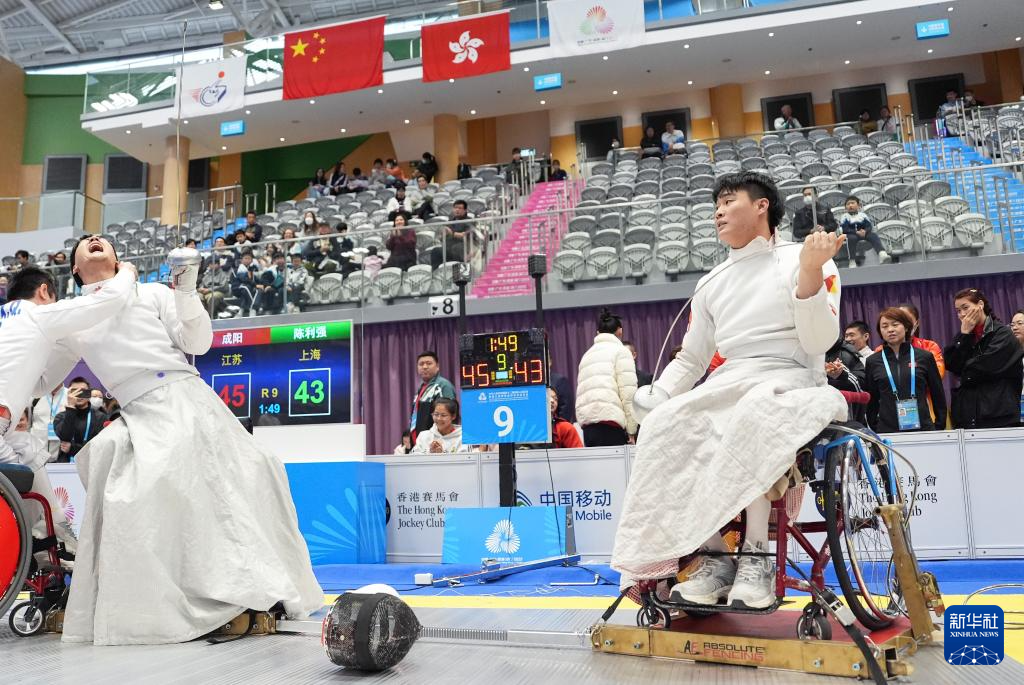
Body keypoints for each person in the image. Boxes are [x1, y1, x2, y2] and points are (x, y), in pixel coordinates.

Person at [49, 236, 322, 645]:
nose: (93, 239)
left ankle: (255, 589)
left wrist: (187, 292)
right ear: (74, 268)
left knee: (258, 469)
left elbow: (197, 343)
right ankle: (176, 600)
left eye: (101, 239)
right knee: (149, 479)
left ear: (118, 258)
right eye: (84, 242)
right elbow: (44, 372)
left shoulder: (152, 293)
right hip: (140, 411)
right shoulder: (72, 316)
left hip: (189, 397)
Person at [613, 171, 847, 610]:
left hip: (793, 377)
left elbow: (819, 341)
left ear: (761, 206)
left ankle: (756, 556)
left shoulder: (807, 258)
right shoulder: (712, 281)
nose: (718, 212)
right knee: (665, 425)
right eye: (716, 205)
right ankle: (716, 558)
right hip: (732, 379)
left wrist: (810, 271)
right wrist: (659, 396)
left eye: (728, 201)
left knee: (753, 411)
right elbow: (691, 359)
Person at [1, 264, 137, 552]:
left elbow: (38, 386)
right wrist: (126, 272)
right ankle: (42, 546)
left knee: (28, 453)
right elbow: (109, 300)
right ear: (44, 291)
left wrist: (74, 345)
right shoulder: (37, 314)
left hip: (7, 430)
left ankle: (55, 545)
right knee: (22, 487)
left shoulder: (9, 321)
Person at [944, 288, 1024, 429]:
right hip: (968, 416)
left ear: (980, 304)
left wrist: (965, 369)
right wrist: (964, 335)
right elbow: (951, 364)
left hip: (999, 415)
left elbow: (985, 367)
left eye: (965, 308)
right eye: (958, 311)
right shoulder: (964, 334)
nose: (962, 314)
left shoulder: (1003, 333)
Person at [865, 308, 946, 433]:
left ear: (907, 327)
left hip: (923, 429)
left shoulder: (924, 357)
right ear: (880, 331)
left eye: (895, 324)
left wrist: (939, 426)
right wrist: (876, 426)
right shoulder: (873, 361)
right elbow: (871, 399)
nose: (890, 329)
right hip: (887, 431)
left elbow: (938, 394)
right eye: (884, 326)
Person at [575, 309, 638, 447]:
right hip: (611, 423)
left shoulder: (587, 355)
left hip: (588, 426)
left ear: (598, 333)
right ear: (620, 331)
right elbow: (628, 393)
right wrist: (632, 429)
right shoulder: (621, 351)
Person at [54, 377, 107, 462]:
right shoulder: (60, 417)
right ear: (69, 394)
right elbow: (65, 437)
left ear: (89, 394)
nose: (79, 395)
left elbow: (98, 446)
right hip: (65, 465)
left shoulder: (100, 418)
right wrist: (71, 407)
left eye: (83, 391)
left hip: (90, 464)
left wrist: (72, 448)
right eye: (75, 391)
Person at [409, 350, 457, 442]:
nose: (425, 367)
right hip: (420, 442)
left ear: (437, 366)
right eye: (421, 364)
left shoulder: (443, 385)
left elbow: (448, 416)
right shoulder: (421, 388)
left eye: (429, 363)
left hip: (436, 443)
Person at [825, 335, 868, 423]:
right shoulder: (808, 354)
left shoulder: (846, 353)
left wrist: (841, 374)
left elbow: (862, 387)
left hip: (847, 419)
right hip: (818, 418)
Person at [839, 195, 889, 266]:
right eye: (848, 204)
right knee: (851, 238)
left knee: (873, 235)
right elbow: (845, 229)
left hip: (863, 233)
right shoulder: (844, 217)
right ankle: (852, 260)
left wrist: (865, 231)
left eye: (852, 203)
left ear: (858, 205)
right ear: (845, 207)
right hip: (851, 234)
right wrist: (856, 232)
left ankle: (882, 254)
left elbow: (869, 226)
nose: (850, 205)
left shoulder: (863, 215)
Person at [431, 200, 474, 269]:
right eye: (455, 208)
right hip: (449, 249)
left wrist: (452, 233)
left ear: (465, 210)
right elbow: (443, 236)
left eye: (460, 208)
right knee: (436, 251)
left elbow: (465, 235)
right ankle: (436, 273)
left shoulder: (469, 221)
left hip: (463, 249)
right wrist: (442, 235)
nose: (457, 210)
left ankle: (461, 271)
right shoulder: (450, 221)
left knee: (457, 247)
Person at [231, 249, 259, 316]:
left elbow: (255, 279)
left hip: (247, 288)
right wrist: (255, 284)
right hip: (237, 288)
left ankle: (241, 310)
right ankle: (252, 308)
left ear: (251, 260)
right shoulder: (237, 269)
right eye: (245, 258)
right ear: (241, 260)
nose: (247, 260)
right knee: (246, 287)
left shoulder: (253, 268)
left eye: (249, 258)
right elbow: (244, 279)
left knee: (248, 289)